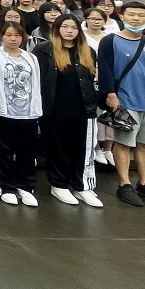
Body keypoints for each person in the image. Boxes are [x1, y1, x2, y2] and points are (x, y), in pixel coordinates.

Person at [98, 2, 145, 207]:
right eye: (131, 14)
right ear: (122, 17)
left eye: (141, 15)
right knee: (123, 143)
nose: (135, 19)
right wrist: (110, 94)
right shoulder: (110, 41)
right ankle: (124, 184)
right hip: (126, 101)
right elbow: (105, 70)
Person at [35, 15, 102, 207]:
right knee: (57, 148)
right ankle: (59, 185)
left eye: (74, 27)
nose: (69, 31)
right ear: (57, 28)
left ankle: (82, 186)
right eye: (65, 26)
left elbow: (91, 80)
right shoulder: (44, 50)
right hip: (54, 109)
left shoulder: (88, 51)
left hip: (83, 108)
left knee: (82, 150)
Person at [0, 22, 43, 206]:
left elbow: (36, 82)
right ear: (2, 37)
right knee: (4, 151)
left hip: (28, 113)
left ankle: (26, 186)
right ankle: (6, 187)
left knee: (28, 151)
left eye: (17, 35)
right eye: (8, 35)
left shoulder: (31, 57)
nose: (13, 39)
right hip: (3, 112)